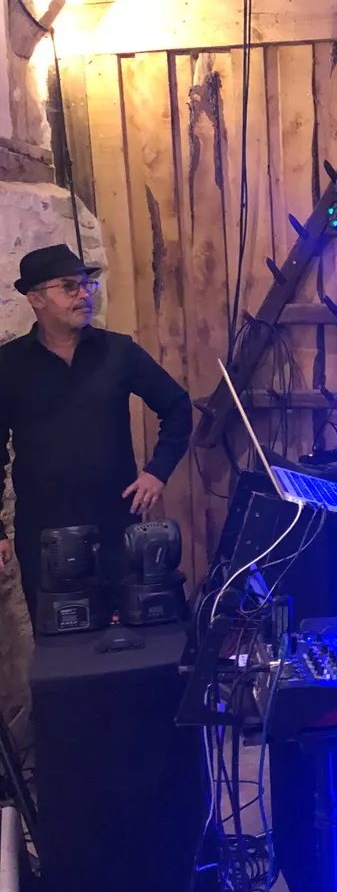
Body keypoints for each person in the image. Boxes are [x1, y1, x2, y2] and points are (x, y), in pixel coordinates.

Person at [0, 245, 193, 621]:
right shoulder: (8, 365)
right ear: (35, 298)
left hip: (115, 525)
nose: (84, 295)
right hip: (44, 531)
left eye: (87, 284)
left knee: (128, 634)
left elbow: (177, 406)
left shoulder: (118, 352)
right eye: (69, 286)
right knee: (57, 641)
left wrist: (157, 471)